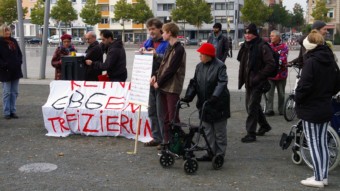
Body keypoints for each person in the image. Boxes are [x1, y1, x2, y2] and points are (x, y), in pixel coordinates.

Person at [296, 30, 336, 188]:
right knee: (322, 143)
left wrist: (298, 98)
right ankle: (323, 176)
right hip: (325, 105)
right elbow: (337, 82)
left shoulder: (311, 62)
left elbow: (304, 86)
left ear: (309, 46)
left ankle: (318, 178)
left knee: (313, 143)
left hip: (311, 108)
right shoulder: (330, 59)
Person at [181, 43, 230, 161]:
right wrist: (188, 97)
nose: (200, 56)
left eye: (201, 54)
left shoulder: (220, 66)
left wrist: (215, 96)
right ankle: (211, 152)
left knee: (219, 132)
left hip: (218, 104)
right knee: (207, 130)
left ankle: (219, 154)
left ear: (208, 55)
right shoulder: (199, 67)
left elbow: (222, 82)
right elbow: (194, 83)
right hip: (204, 104)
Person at [237, 23, 276, 143]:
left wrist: (259, 76)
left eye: (250, 33)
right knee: (252, 106)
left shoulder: (262, 46)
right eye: (246, 33)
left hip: (258, 82)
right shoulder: (246, 46)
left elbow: (271, 64)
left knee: (252, 106)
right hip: (249, 82)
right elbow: (243, 62)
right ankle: (264, 126)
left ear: (255, 34)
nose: (247, 36)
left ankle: (251, 133)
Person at [153, 22, 186, 144]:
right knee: (165, 117)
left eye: (164, 31)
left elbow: (172, 69)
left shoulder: (179, 49)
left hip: (172, 87)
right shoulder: (169, 47)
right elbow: (163, 65)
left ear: (170, 33)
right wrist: (155, 76)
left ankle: (177, 143)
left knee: (173, 117)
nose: (162, 33)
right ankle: (167, 143)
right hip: (164, 86)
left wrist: (159, 83)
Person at [139, 18, 169, 148]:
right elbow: (143, 56)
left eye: (153, 29)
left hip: (160, 81)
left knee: (161, 112)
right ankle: (156, 137)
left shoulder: (166, 43)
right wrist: (141, 52)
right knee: (151, 111)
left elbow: (168, 61)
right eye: (149, 29)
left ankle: (165, 139)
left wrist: (156, 54)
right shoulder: (148, 42)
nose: (151, 31)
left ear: (160, 29)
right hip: (148, 80)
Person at [0, 24, 23, 119]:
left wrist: (19, 62)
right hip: (6, 71)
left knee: (15, 92)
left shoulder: (13, 41)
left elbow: (19, 53)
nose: (8, 32)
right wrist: (4, 65)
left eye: (8, 30)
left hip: (16, 69)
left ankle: (13, 111)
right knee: (7, 92)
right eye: (6, 31)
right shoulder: (0, 42)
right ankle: (6, 112)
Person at [265, 30, 289, 116]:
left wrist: (271, 61)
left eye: (272, 36)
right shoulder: (268, 46)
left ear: (278, 37)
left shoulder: (284, 47)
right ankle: (269, 109)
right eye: (270, 36)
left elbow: (282, 59)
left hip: (281, 73)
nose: (270, 37)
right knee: (269, 93)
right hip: (270, 74)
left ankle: (281, 109)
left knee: (281, 94)